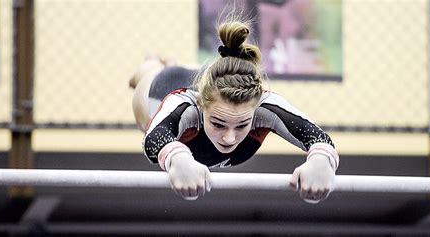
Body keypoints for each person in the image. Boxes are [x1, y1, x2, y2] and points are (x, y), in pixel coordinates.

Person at [130, 18, 339, 203]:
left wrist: (321, 160)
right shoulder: (186, 105)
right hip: (161, 88)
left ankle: (189, 68)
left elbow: (317, 137)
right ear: (200, 104)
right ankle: (154, 64)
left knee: (205, 76)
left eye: (241, 125)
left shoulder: (264, 105)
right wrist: (178, 158)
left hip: (209, 85)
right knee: (146, 80)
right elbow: (153, 139)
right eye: (218, 124)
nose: (229, 138)